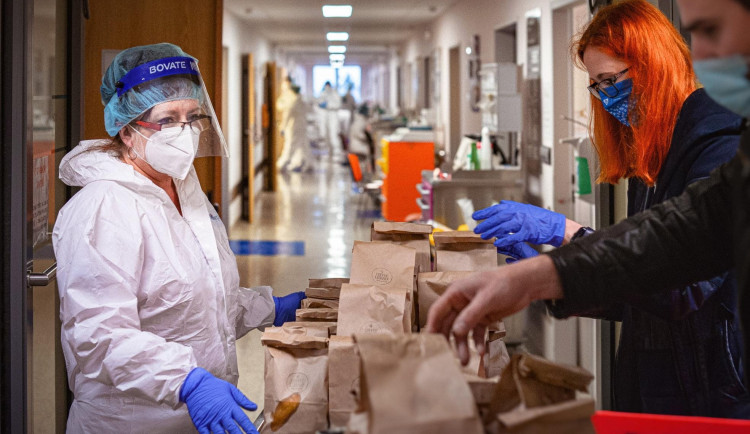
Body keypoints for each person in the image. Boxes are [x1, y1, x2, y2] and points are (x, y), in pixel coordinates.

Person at [427, 0, 750, 410]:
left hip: (712, 392)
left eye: (611, 80)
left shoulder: (718, 139)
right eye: (596, 85)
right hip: (652, 379)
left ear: (655, 61)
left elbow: (679, 284)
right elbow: (640, 279)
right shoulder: (652, 153)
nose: (604, 97)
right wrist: (545, 280)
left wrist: (566, 236)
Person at [52, 43, 306, 433]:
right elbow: (98, 337)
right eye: (168, 119)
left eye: (192, 116)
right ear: (128, 128)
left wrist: (269, 310)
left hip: (196, 417)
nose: (184, 131)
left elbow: (194, 303)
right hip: (130, 422)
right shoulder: (104, 208)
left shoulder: (184, 191)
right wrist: (186, 380)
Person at [277, 84, 312, 172]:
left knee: (290, 146)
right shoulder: (302, 101)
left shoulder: (293, 102)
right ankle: (307, 164)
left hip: (294, 128)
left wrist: (282, 128)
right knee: (304, 146)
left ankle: (280, 164)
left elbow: (287, 116)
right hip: (301, 127)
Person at [318, 81, 343, 158]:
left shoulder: (335, 94)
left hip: (333, 116)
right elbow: (319, 102)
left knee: (333, 134)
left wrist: (328, 105)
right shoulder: (323, 93)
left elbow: (338, 104)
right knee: (327, 135)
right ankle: (330, 151)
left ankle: (337, 152)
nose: (327, 88)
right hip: (326, 117)